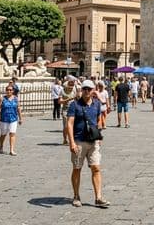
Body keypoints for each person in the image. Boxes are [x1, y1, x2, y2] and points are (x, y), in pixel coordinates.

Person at [66, 80, 109, 208]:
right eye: (85, 89)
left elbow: (98, 120)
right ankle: (76, 196)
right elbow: (69, 124)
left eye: (89, 89)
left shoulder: (96, 104)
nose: (87, 91)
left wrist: (99, 135)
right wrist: (71, 142)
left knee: (96, 168)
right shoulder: (75, 105)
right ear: (81, 90)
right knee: (77, 168)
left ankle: (98, 197)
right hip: (79, 141)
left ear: (93, 90)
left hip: (93, 141)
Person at [0, 83, 22, 155]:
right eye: (7, 90)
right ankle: (1, 145)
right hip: (4, 119)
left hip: (13, 119)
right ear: (5, 91)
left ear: (13, 91)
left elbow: (18, 108)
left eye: (10, 90)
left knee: (12, 134)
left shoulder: (16, 99)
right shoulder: (2, 99)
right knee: (3, 134)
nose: (9, 91)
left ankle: (11, 150)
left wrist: (20, 118)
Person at [60, 77, 78, 145]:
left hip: (73, 110)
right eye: (70, 87)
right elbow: (60, 101)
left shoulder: (74, 90)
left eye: (72, 86)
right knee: (66, 126)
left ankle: (72, 140)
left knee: (73, 126)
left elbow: (77, 98)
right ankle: (65, 139)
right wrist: (68, 99)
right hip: (65, 110)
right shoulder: (62, 91)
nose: (71, 88)